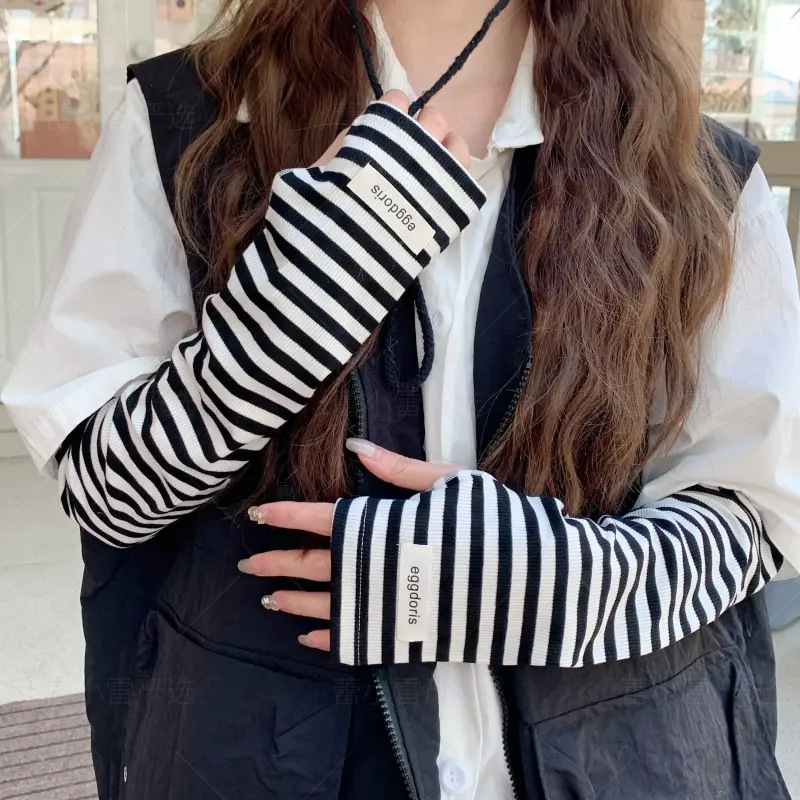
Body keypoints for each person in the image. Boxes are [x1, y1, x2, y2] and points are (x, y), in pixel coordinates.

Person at [3, 0, 799, 797]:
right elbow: (106, 494)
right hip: (264, 756)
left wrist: (570, 585)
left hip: (621, 759)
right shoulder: (185, 121)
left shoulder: (695, 165)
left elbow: (763, 503)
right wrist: (285, 318)